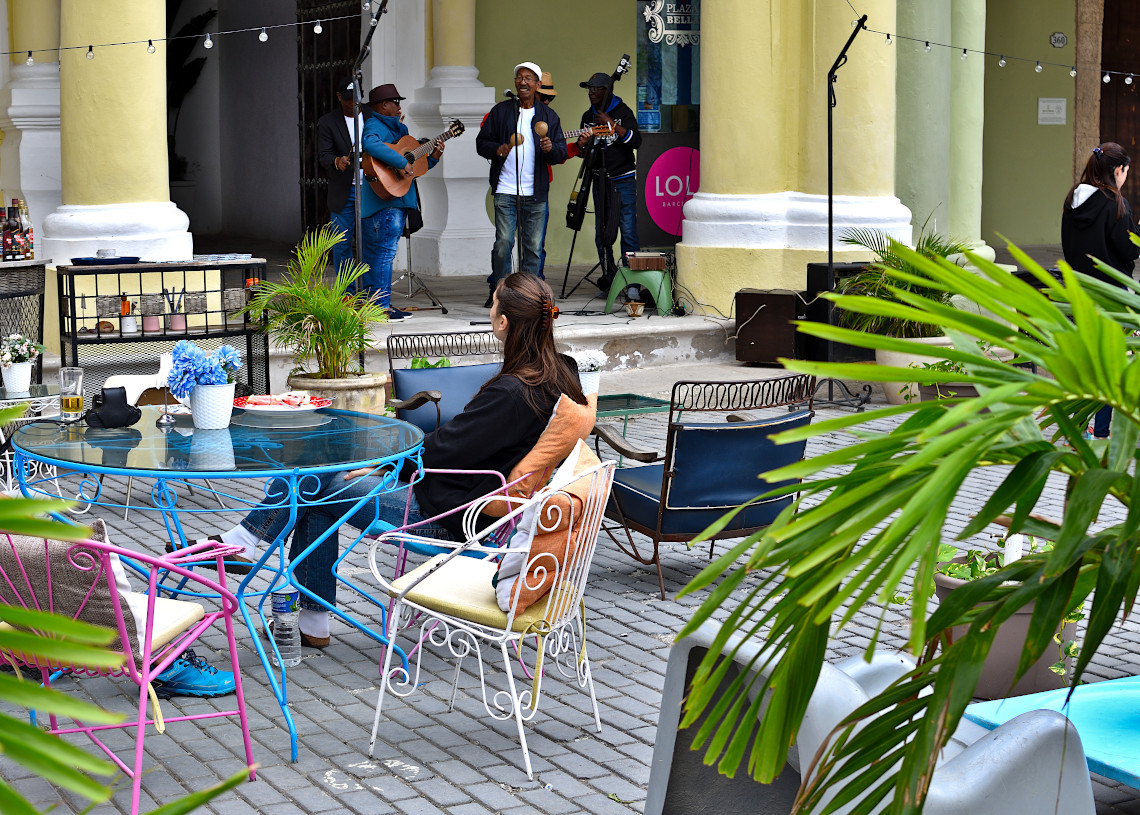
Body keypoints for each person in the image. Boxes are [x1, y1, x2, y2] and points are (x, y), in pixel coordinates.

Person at [200, 273, 585, 647]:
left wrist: (382, 464)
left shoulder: (513, 391)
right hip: (483, 509)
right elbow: (460, 443)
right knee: (319, 493)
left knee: (314, 480)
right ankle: (309, 618)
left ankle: (247, 539)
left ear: (503, 321)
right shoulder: (562, 373)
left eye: (493, 303)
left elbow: (446, 449)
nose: (489, 311)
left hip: (450, 519)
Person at [1061, 141, 1140, 439]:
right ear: (1118, 170)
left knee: (1083, 364)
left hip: (1078, 294)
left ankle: (1076, 430)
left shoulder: (1072, 199)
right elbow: (1128, 249)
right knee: (1109, 366)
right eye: (1125, 172)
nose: (1125, 178)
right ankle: (1103, 431)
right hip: (1112, 297)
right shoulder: (1115, 203)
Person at [476, 62, 568, 308]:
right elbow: (481, 142)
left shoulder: (549, 117)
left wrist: (551, 149)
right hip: (506, 190)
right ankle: (501, 295)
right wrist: (498, 148)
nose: (523, 82)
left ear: (538, 85)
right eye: (519, 78)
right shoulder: (502, 111)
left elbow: (560, 153)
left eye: (529, 78)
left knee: (533, 249)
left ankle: (528, 297)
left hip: (535, 194)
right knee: (503, 243)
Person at [359, 83, 444, 321]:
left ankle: (371, 305)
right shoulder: (374, 124)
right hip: (385, 204)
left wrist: (434, 156)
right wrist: (400, 161)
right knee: (383, 255)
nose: (399, 106)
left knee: (375, 256)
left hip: (394, 200)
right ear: (382, 105)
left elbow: (413, 168)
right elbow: (371, 145)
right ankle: (382, 306)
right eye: (395, 102)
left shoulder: (400, 129)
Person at [570, 71, 642, 292]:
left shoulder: (623, 111)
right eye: (588, 89)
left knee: (628, 230)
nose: (591, 93)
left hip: (623, 179)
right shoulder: (587, 116)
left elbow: (636, 141)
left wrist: (613, 124)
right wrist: (582, 145)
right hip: (599, 181)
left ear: (606, 90)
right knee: (602, 232)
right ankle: (609, 276)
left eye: (595, 88)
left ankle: (632, 282)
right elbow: (584, 155)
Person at [316, 76, 364, 279]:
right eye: (347, 100)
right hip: (345, 190)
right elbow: (323, 155)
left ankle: (372, 293)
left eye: (356, 98)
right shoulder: (328, 122)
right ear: (339, 97)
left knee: (371, 242)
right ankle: (347, 293)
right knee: (342, 244)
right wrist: (337, 161)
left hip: (372, 189)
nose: (353, 104)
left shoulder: (372, 116)